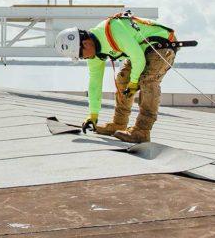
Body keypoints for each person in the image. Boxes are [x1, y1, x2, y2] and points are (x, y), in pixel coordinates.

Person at [54, 13, 180, 143]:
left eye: (80, 55)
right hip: (142, 50)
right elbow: (95, 83)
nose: (83, 58)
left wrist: (134, 82)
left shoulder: (112, 31)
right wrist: (93, 115)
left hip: (163, 43)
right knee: (123, 80)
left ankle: (142, 131)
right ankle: (119, 124)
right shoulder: (94, 55)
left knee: (147, 81)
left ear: (85, 44)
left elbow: (138, 58)